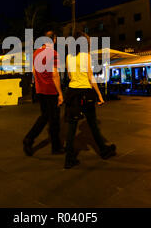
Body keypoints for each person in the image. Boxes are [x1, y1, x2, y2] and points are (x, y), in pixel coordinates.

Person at [64, 31, 116, 169]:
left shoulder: (68, 57)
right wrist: (99, 94)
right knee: (92, 123)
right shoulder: (86, 56)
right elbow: (90, 76)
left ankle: (68, 159)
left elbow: (69, 76)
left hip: (72, 92)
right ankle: (104, 151)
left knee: (72, 126)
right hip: (85, 92)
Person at [23, 31, 64, 156]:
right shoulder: (53, 53)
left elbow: (34, 72)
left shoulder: (36, 53)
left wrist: (38, 86)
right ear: (54, 40)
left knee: (45, 117)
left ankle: (30, 139)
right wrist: (60, 94)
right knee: (54, 119)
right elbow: (55, 75)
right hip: (51, 91)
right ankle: (55, 147)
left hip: (40, 90)